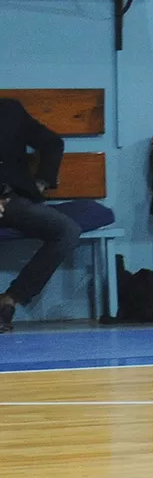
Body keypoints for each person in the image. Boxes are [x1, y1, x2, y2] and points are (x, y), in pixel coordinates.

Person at [0, 98, 76, 333]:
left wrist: (42, 181)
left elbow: (53, 143)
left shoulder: (10, 110)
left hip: (12, 201)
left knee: (66, 231)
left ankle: (10, 299)